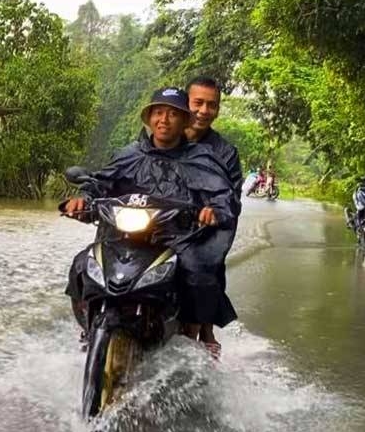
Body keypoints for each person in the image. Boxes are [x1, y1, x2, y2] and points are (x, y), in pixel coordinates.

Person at [63, 87, 237, 356]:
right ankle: (89, 329)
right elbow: (101, 183)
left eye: (172, 114)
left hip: (177, 239)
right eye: (158, 113)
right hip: (125, 235)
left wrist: (213, 210)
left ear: (184, 121)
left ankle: (191, 341)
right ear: (148, 118)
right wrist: (83, 199)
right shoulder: (129, 153)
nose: (164, 120)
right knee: (82, 264)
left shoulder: (202, 158)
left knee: (199, 274)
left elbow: (222, 195)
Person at [183, 76, 242, 350]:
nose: (204, 111)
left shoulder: (225, 152)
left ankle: (202, 331)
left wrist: (215, 210)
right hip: (158, 223)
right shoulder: (164, 136)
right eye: (198, 103)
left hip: (200, 229)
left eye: (212, 105)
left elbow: (232, 199)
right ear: (186, 102)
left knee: (205, 267)